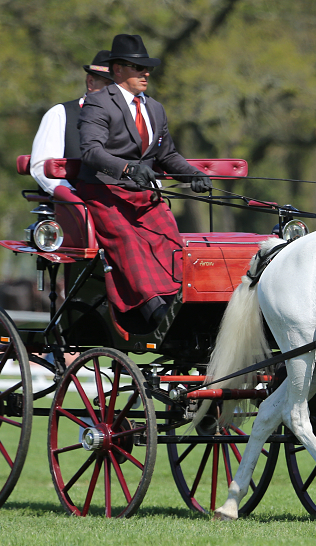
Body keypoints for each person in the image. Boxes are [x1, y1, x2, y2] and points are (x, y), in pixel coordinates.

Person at [77, 34, 212, 327]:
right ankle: (154, 311)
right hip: (104, 191)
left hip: (142, 192)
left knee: (169, 238)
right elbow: (91, 151)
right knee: (127, 241)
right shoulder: (98, 103)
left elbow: (168, 156)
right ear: (118, 70)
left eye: (146, 68)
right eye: (138, 68)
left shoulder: (155, 108)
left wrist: (193, 175)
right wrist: (127, 169)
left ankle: (178, 301)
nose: (145, 73)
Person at [30, 50, 114, 195]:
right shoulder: (60, 114)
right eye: (108, 85)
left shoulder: (131, 118)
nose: (114, 93)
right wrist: (71, 195)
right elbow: (41, 167)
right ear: (90, 82)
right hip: (70, 208)